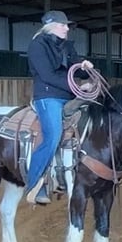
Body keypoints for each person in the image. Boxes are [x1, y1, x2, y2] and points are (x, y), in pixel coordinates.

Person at [25, 10, 93, 205]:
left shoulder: (66, 46)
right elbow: (47, 75)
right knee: (53, 135)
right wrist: (78, 87)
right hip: (48, 97)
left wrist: (84, 65)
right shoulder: (37, 46)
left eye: (67, 25)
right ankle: (35, 183)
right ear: (50, 26)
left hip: (68, 95)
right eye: (63, 25)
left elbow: (74, 62)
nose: (67, 28)